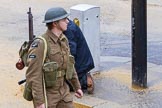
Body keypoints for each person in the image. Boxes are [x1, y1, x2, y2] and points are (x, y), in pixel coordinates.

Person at [25, 7, 83, 108]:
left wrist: (77, 86)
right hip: (48, 95)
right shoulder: (41, 43)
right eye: (64, 19)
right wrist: (39, 102)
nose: (67, 22)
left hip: (63, 91)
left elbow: (70, 64)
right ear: (55, 23)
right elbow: (33, 75)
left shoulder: (63, 39)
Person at [63, 19, 95, 94]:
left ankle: (85, 80)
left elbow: (71, 52)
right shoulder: (67, 26)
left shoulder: (69, 30)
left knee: (67, 85)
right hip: (82, 62)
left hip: (80, 64)